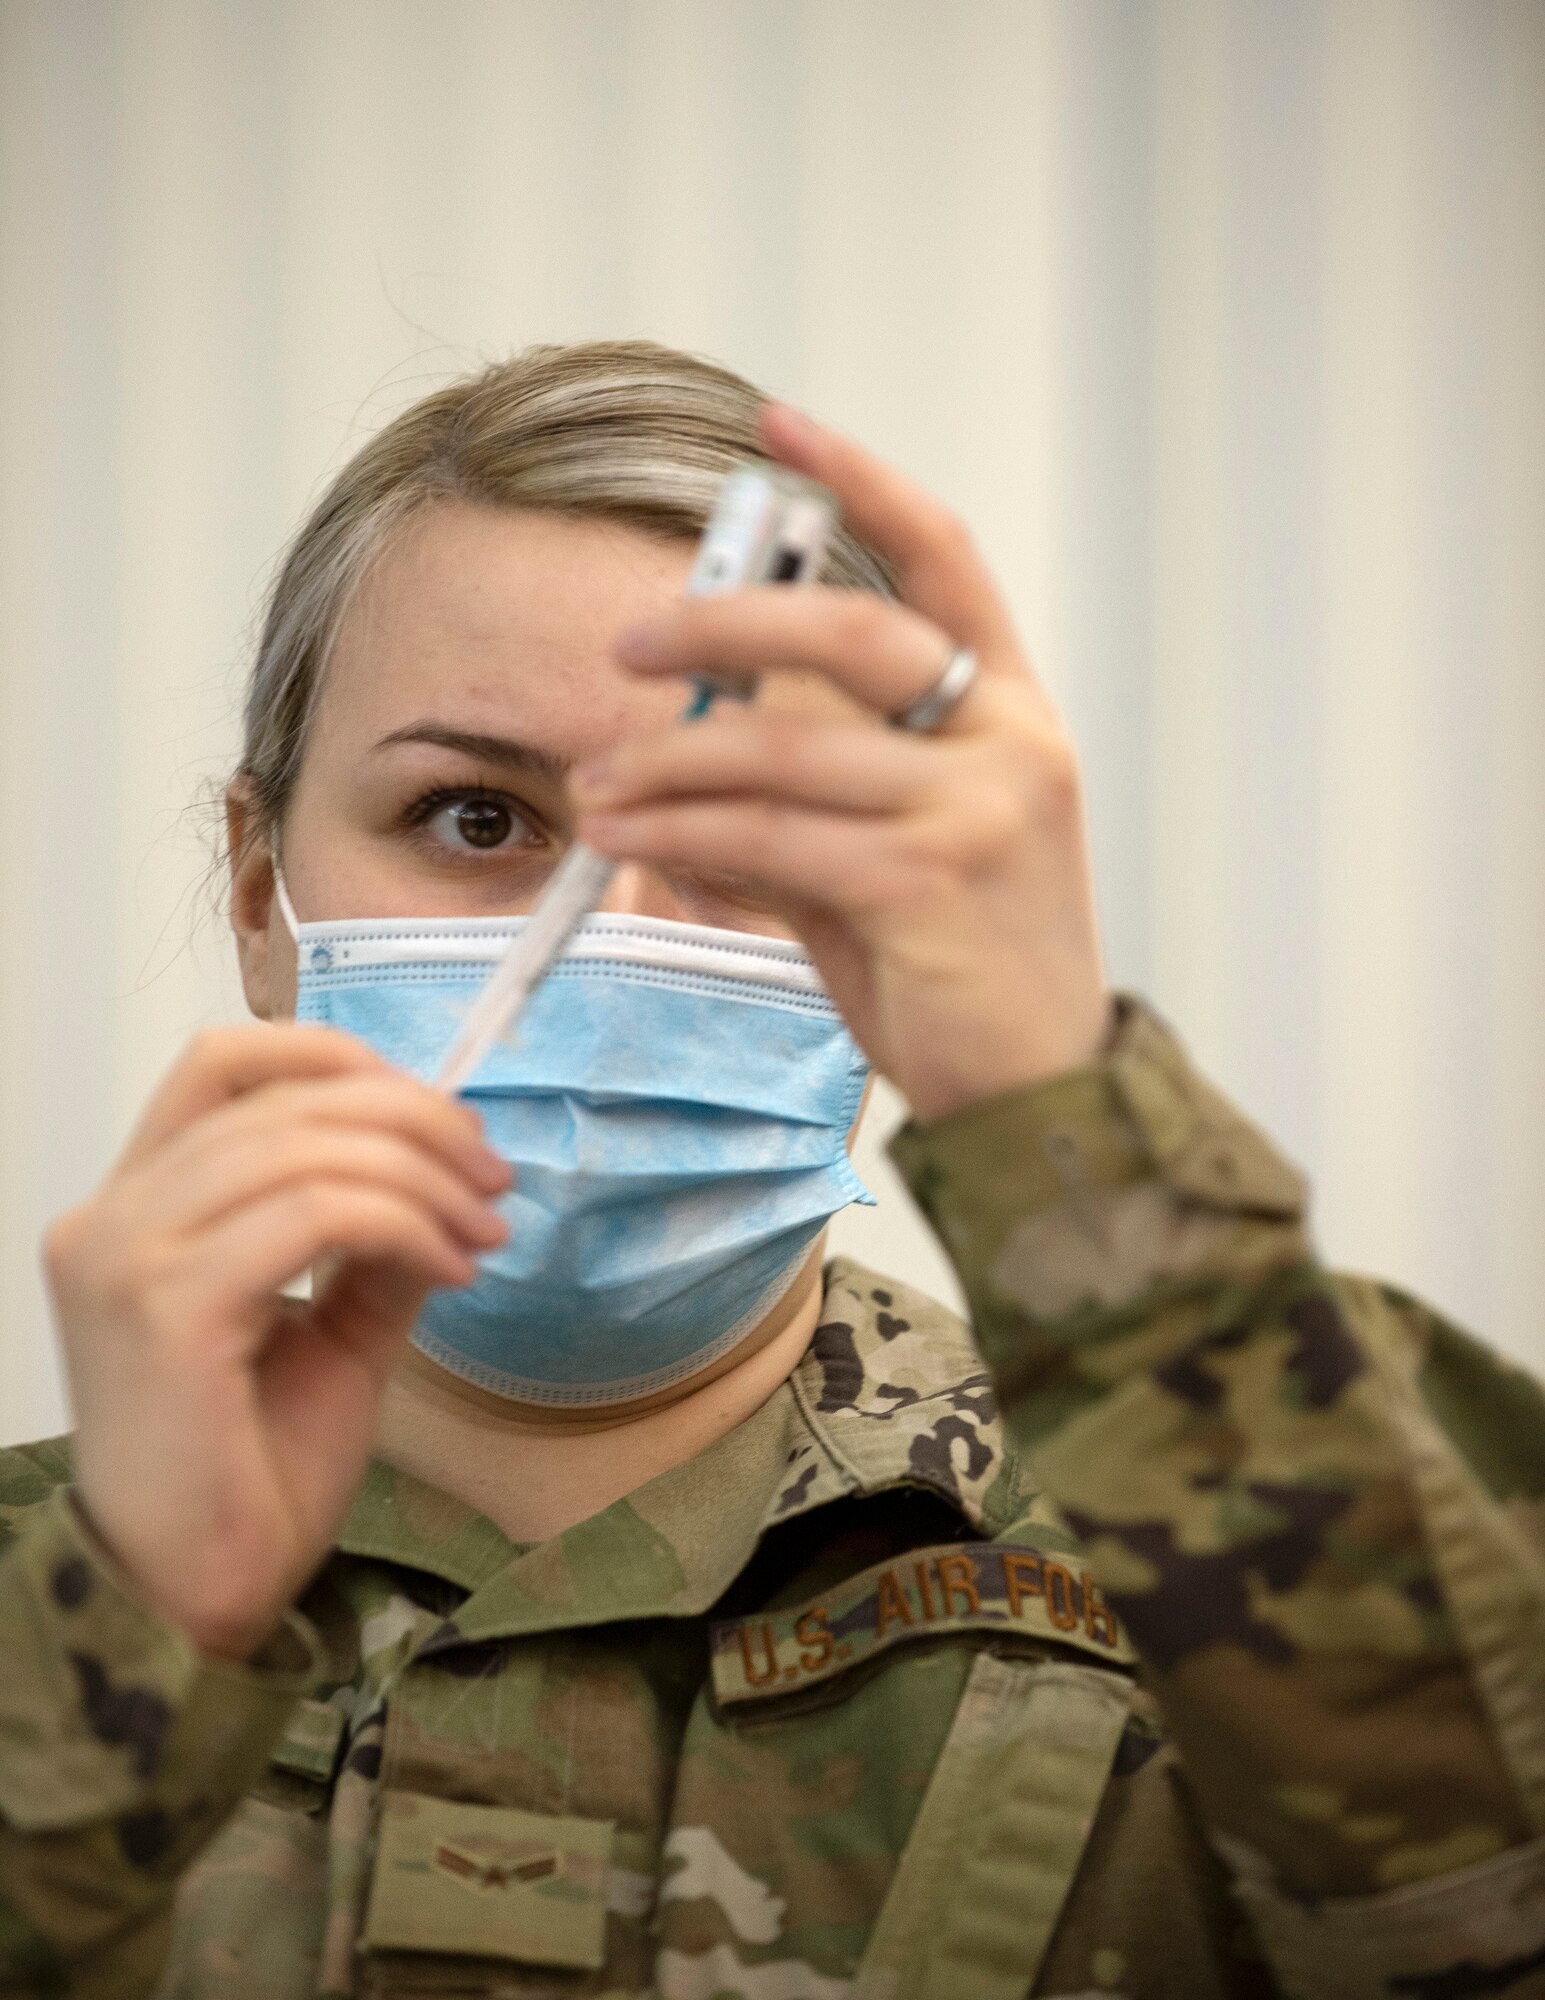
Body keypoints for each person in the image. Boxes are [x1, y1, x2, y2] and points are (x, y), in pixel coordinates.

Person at [1, 341, 1543, 2000]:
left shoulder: (1234, 1591)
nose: (610, 937)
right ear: (260, 891)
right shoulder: (47, 1604)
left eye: (739, 840)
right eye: (473, 819)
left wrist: (1071, 1122)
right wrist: (118, 1652)